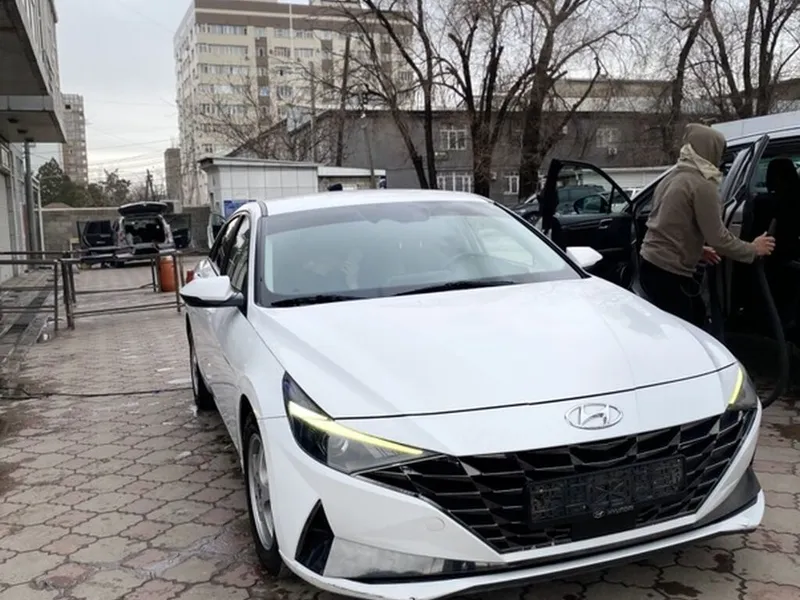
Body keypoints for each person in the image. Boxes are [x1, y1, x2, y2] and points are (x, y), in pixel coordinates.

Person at [639, 123, 776, 327]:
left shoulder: (673, 177)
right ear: (711, 150)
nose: (719, 159)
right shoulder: (703, 184)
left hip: (650, 264)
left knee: (690, 321)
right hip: (669, 273)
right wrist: (753, 249)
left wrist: (697, 249)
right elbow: (718, 239)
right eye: (719, 152)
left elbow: (668, 223)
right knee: (687, 333)